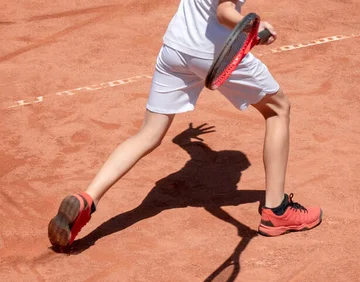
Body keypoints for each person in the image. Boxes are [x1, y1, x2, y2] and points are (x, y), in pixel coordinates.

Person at [47, 0, 323, 251]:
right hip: (213, 51)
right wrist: (255, 26)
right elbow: (224, 11)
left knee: (148, 133)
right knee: (278, 110)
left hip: (175, 49)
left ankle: (88, 198)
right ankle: (277, 210)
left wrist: (188, 141)